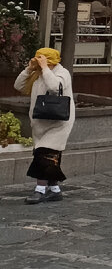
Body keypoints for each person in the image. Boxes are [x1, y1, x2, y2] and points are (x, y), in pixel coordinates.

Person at [15, 48, 75, 205]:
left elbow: (55, 88)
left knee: (44, 156)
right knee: (51, 157)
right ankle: (54, 190)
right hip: (40, 122)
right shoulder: (37, 74)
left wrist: (46, 68)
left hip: (58, 123)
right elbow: (19, 86)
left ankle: (40, 190)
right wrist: (29, 68)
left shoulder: (62, 73)